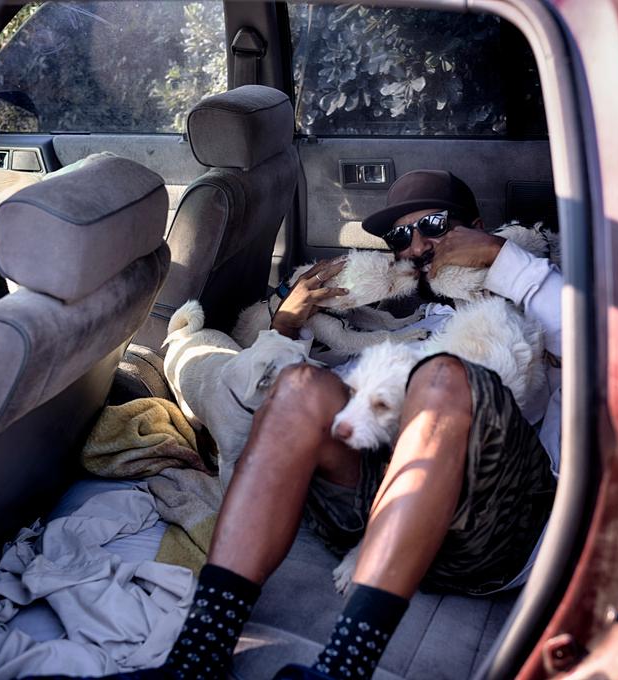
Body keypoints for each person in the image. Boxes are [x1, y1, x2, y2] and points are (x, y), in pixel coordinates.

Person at [39, 170, 562, 680]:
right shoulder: (404, 325)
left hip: (494, 527)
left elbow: (617, 351)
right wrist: (288, 324)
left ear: (475, 223)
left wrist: (503, 261)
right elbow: (313, 409)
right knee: (300, 389)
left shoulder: (538, 300)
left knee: (444, 377)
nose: (420, 246)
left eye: (437, 225)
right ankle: (199, 651)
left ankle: (344, 665)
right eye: (402, 237)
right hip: (371, 508)